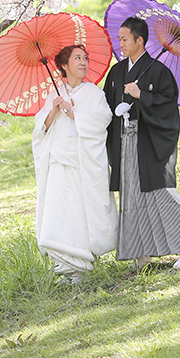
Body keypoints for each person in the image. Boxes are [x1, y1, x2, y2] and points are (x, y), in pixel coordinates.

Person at [103, 16, 180, 269]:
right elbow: (106, 107)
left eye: (125, 39)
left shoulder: (159, 72)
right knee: (131, 196)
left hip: (148, 142)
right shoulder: (116, 72)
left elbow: (167, 107)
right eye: (120, 39)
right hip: (124, 142)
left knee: (161, 192)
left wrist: (142, 96)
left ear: (140, 40)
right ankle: (141, 255)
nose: (121, 43)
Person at [32, 45, 118, 282]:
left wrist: (74, 113)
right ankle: (63, 266)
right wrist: (54, 110)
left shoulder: (94, 93)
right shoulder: (55, 93)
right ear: (63, 65)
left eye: (85, 58)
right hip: (59, 160)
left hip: (82, 161)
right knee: (59, 211)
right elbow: (41, 129)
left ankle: (80, 265)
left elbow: (103, 119)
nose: (83, 62)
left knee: (78, 212)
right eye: (77, 58)